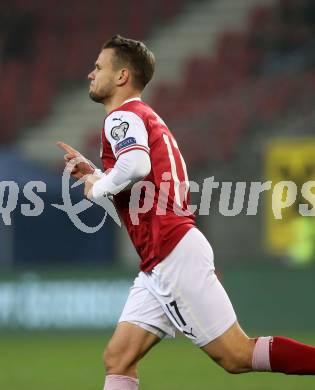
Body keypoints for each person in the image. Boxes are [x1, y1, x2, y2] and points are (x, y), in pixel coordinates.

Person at [58, 35, 315, 390]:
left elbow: (135, 166)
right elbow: (144, 183)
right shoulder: (143, 117)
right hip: (161, 258)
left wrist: (99, 187)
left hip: (171, 252)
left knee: (237, 356)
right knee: (118, 358)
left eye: (99, 67)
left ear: (122, 77)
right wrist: (98, 176)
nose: (90, 74)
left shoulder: (122, 117)